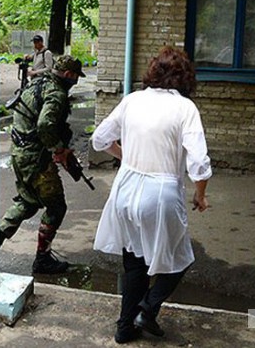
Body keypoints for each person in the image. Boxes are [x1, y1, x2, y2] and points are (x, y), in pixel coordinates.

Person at [91, 46, 212, 344]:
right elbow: (198, 162)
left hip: (125, 189)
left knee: (134, 263)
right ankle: (147, 309)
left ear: (154, 71)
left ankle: (124, 328)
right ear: (184, 77)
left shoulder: (132, 100)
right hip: (160, 193)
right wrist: (200, 195)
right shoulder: (185, 108)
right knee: (179, 259)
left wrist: (127, 155)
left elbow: (99, 139)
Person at [0, 55, 85, 274]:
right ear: (68, 74)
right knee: (56, 207)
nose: (75, 81)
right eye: (75, 77)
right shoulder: (56, 93)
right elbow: (45, 124)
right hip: (37, 159)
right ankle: (42, 259)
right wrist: (59, 150)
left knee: (29, 200)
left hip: (20, 153)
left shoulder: (37, 83)